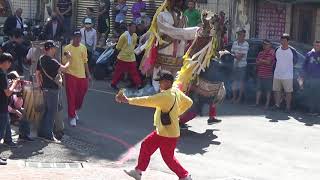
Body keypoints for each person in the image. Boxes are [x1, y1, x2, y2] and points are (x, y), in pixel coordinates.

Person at [116, 72, 193, 180]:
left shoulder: (164, 96)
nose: (159, 85)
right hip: (164, 131)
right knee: (146, 146)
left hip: (167, 134)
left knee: (168, 158)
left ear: (167, 82)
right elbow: (189, 102)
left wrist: (128, 100)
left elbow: (146, 101)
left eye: (161, 82)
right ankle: (138, 171)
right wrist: (177, 113)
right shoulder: (175, 91)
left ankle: (185, 176)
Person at [36, 40, 70, 142]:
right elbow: (64, 69)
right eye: (54, 48)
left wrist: (40, 85)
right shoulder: (52, 61)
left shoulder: (41, 59)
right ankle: (48, 135)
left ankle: (42, 132)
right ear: (50, 49)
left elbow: (37, 73)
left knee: (47, 111)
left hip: (45, 88)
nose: (55, 49)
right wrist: (69, 59)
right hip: (52, 89)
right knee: (52, 112)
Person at [62, 30, 91, 127]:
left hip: (82, 75)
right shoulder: (67, 48)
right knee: (71, 96)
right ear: (72, 37)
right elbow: (64, 63)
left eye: (79, 37)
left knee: (81, 95)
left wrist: (88, 74)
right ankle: (72, 116)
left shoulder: (83, 48)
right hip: (70, 74)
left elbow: (85, 62)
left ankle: (74, 109)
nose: (78, 39)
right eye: (76, 37)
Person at [111, 22, 142, 90]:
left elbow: (133, 45)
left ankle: (138, 84)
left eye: (135, 27)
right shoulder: (123, 36)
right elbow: (118, 47)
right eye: (133, 27)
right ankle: (113, 83)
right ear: (129, 27)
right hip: (123, 57)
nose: (134, 29)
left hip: (131, 57)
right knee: (119, 72)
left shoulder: (135, 35)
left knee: (134, 72)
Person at [273, 34, 297, 113]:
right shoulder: (277, 49)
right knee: (277, 91)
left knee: (288, 92)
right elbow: (275, 60)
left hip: (288, 75)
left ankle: (288, 107)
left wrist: (288, 68)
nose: (282, 42)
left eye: (284, 40)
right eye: (281, 40)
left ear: (288, 41)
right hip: (277, 74)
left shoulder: (292, 51)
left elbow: (295, 61)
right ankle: (277, 105)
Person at [0, 53, 18, 148]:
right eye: (9, 62)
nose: (10, 64)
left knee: (6, 121)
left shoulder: (3, 73)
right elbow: (7, 93)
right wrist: (14, 83)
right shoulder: (2, 74)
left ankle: (8, 140)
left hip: (3, 105)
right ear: (5, 62)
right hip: (2, 105)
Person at [300, 40, 320, 115]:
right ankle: (311, 110)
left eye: (318, 45)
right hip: (310, 78)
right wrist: (302, 75)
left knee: (317, 95)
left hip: (318, 79)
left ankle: (317, 111)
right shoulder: (309, 54)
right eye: (316, 45)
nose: (317, 47)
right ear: (313, 45)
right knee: (310, 94)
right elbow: (304, 66)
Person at [254, 39, 275, 109]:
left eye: (266, 44)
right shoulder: (260, 53)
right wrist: (263, 61)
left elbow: (269, 62)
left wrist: (261, 61)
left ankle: (267, 104)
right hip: (260, 73)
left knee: (268, 90)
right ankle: (257, 103)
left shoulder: (272, 52)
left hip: (268, 74)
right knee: (258, 89)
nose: (264, 46)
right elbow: (257, 62)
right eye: (264, 44)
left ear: (270, 45)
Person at [230, 28, 249, 103]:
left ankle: (239, 98)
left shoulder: (246, 44)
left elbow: (240, 56)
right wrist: (236, 56)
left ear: (243, 35)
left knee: (241, 82)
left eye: (240, 34)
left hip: (242, 66)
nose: (238, 36)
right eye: (238, 34)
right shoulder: (234, 43)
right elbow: (232, 53)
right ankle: (234, 97)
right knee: (234, 82)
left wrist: (236, 56)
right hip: (235, 65)